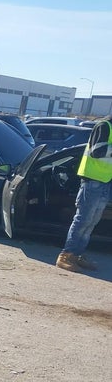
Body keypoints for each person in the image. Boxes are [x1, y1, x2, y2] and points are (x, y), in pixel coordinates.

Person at [56, 114, 112, 272]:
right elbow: (97, 151)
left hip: (104, 181)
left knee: (91, 221)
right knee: (83, 220)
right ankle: (66, 255)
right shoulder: (104, 125)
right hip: (92, 180)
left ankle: (77, 255)